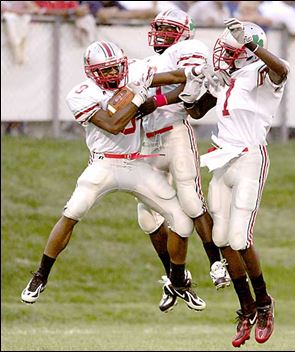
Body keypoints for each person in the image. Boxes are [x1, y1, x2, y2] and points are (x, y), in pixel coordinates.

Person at [20, 40, 206, 313]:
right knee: (73, 211)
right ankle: (40, 276)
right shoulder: (82, 93)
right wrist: (140, 96)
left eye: (116, 68)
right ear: (92, 73)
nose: (113, 74)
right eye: (105, 71)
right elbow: (114, 125)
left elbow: (176, 76)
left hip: (136, 163)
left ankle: (178, 281)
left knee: (182, 222)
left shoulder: (133, 75)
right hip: (104, 164)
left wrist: (196, 72)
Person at [179, 18, 289, 347]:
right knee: (222, 238)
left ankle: (265, 304)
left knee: (240, 238)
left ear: (246, 52)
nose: (223, 55)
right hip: (222, 159)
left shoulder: (260, 73)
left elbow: (281, 69)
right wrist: (195, 84)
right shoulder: (226, 78)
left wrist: (252, 46)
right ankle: (246, 308)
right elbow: (196, 111)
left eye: (231, 50)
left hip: (249, 157)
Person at [134, 8, 232, 314]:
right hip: (148, 140)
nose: (161, 33)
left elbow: (190, 88)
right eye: (159, 27)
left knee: (191, 200)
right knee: (148, 217)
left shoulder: (188, 48)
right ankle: (177, 278)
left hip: (175, 132)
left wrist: (157, 100)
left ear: (183, 33)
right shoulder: (148, 62)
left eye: (168, 28)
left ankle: (217, 262)